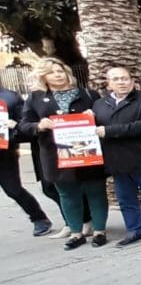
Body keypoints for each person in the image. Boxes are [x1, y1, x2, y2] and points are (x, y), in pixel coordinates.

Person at [20, 58, 107, 250]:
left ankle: (99, 232)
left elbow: (106, 116)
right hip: (56, 153)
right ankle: (76, 233)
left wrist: (94, 116)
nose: (58, 75)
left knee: (95, 190)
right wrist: (39, 125)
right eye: (52, 72)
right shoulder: (35, 98)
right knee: (67, 193)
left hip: (87, 150)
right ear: (44, 77)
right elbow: (24, 125)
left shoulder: (88, 94)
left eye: (60, 71)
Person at [93, 67, 141, 246]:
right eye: (116, 79)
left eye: (125, 78)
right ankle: (135, 230)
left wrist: (109, 131)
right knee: (126, 199)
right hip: (116, 159)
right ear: (109, 84)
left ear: (132, 81)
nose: (121, 82)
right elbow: (92, 127)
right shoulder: (99, 105)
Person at [0, 78, 52, 236]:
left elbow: (23, 124)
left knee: (13, 190)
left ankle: (39, 218)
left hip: (4, 152)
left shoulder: (9, 97)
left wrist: (11, 132)